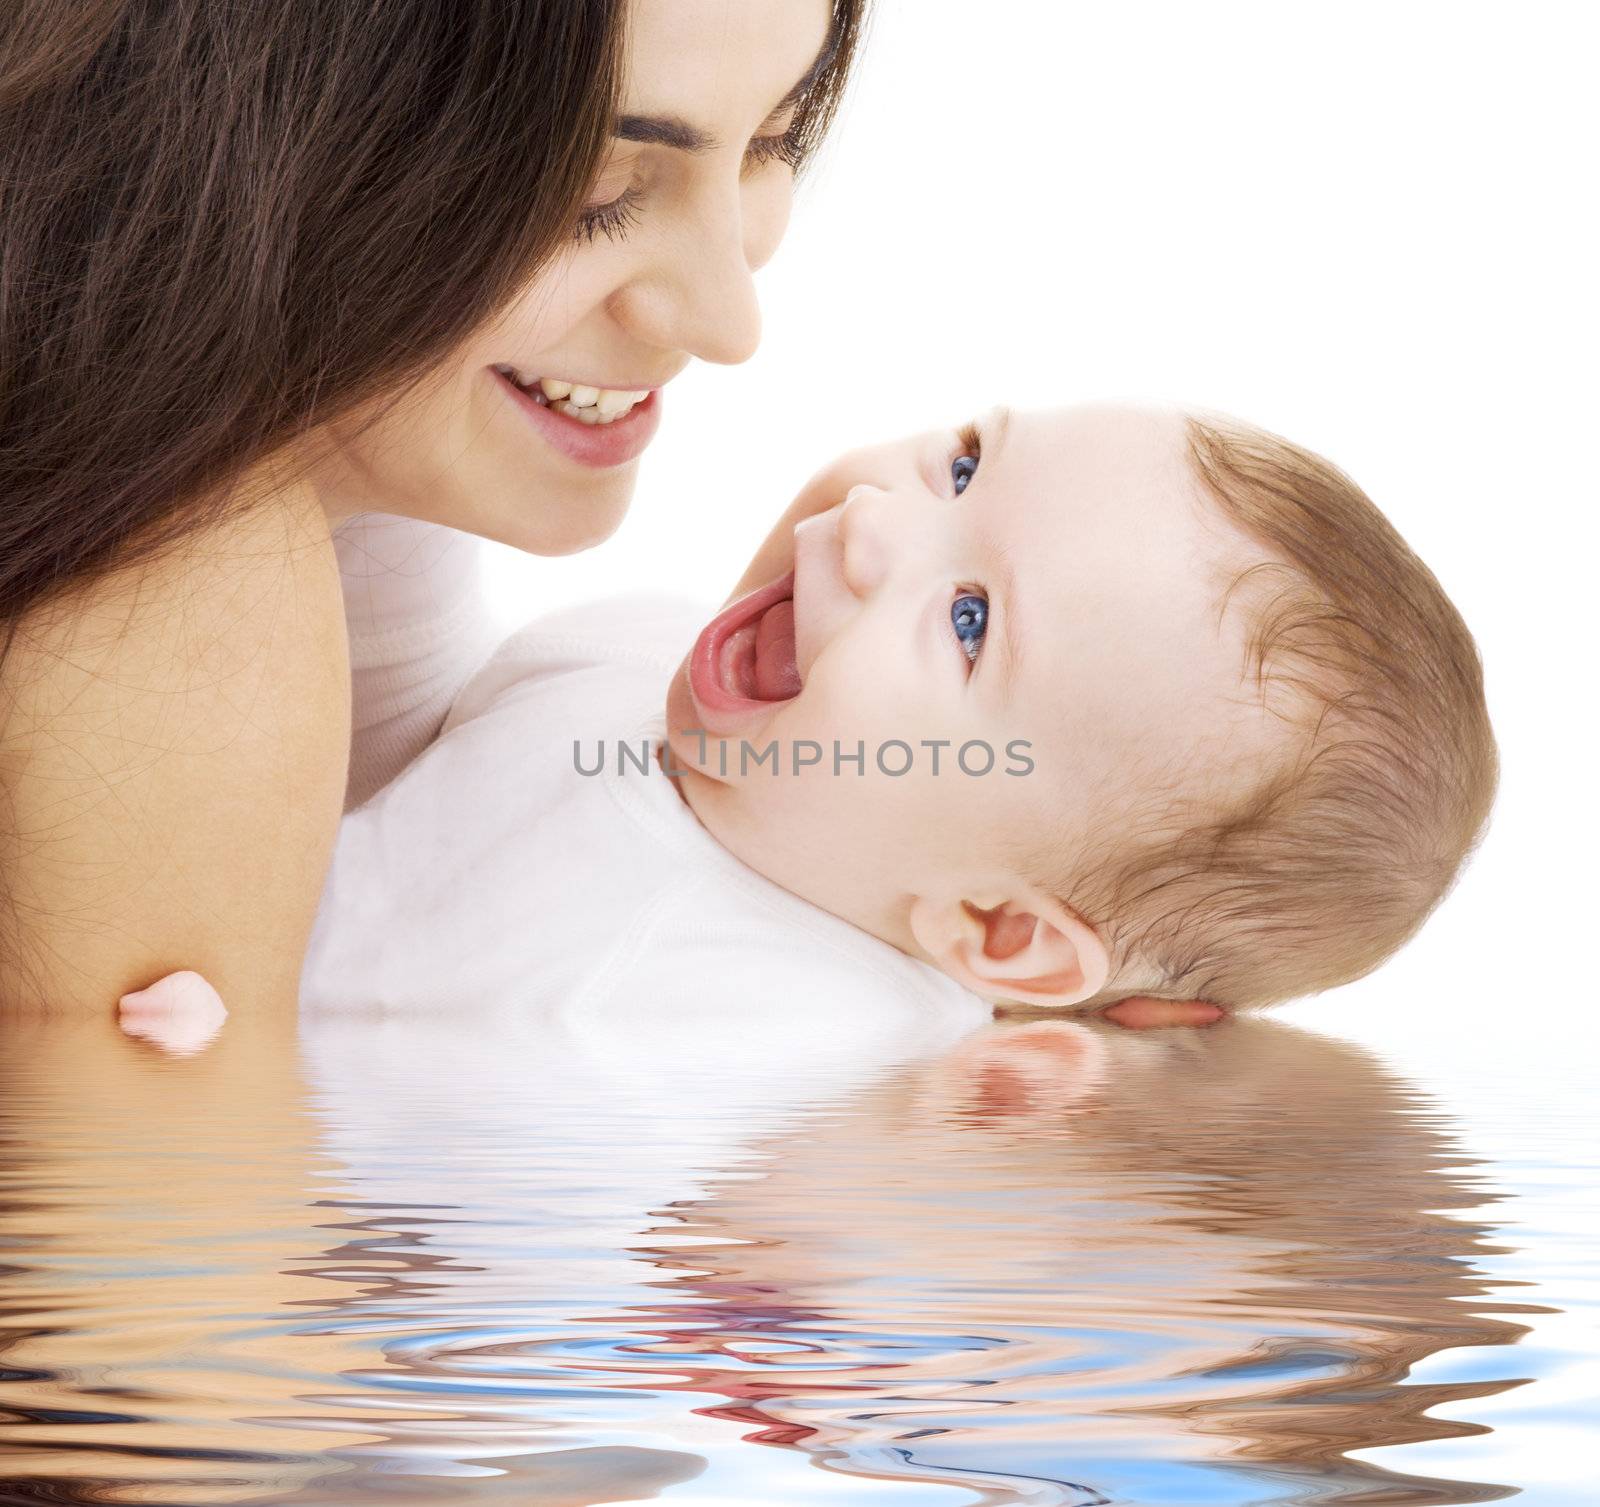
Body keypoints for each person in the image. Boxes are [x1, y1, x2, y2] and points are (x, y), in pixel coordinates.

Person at [0, 0, 864, 1013]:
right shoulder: (188, 585)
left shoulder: (365, 443)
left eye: (775, 138)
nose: (728, 321)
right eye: (597, 187)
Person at [299, 402, 1497, 1016]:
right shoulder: (651, 650)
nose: (873, 521)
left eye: (969, 620)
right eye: (964, 464)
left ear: (997, 930)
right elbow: (404, 748)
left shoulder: (702, 1007)